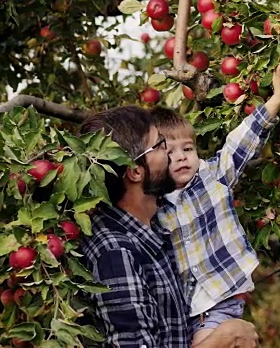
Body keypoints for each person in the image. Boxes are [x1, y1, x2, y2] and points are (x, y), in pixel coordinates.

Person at [79, 106, 259, 348]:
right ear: (134, 171)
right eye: (161, 144)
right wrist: (226, 337)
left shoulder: (156, 228)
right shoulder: (115, 252)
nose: (173, 154)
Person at [151, 65, 280, 345]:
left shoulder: (212, 177)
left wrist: (277, 98)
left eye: (187, 148)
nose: (182, 157)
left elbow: (241, 143)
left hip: (219, 304)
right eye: (169, 153)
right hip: (185, 314)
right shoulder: (153, 205)